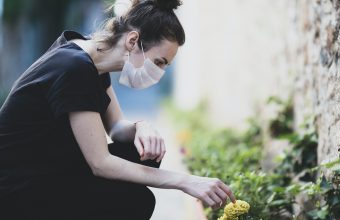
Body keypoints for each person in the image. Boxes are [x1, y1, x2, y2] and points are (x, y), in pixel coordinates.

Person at [0, 0, 236, 219]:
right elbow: (100, 163)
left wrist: (142, 127)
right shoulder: (74, 68)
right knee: (136, 200)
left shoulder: (90, 58)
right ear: (133, 41)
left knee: (143, 153)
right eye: (159, 62)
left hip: (49, 171)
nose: (159, 72)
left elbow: (116, 128)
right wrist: (186, 181)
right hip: (18, 190)